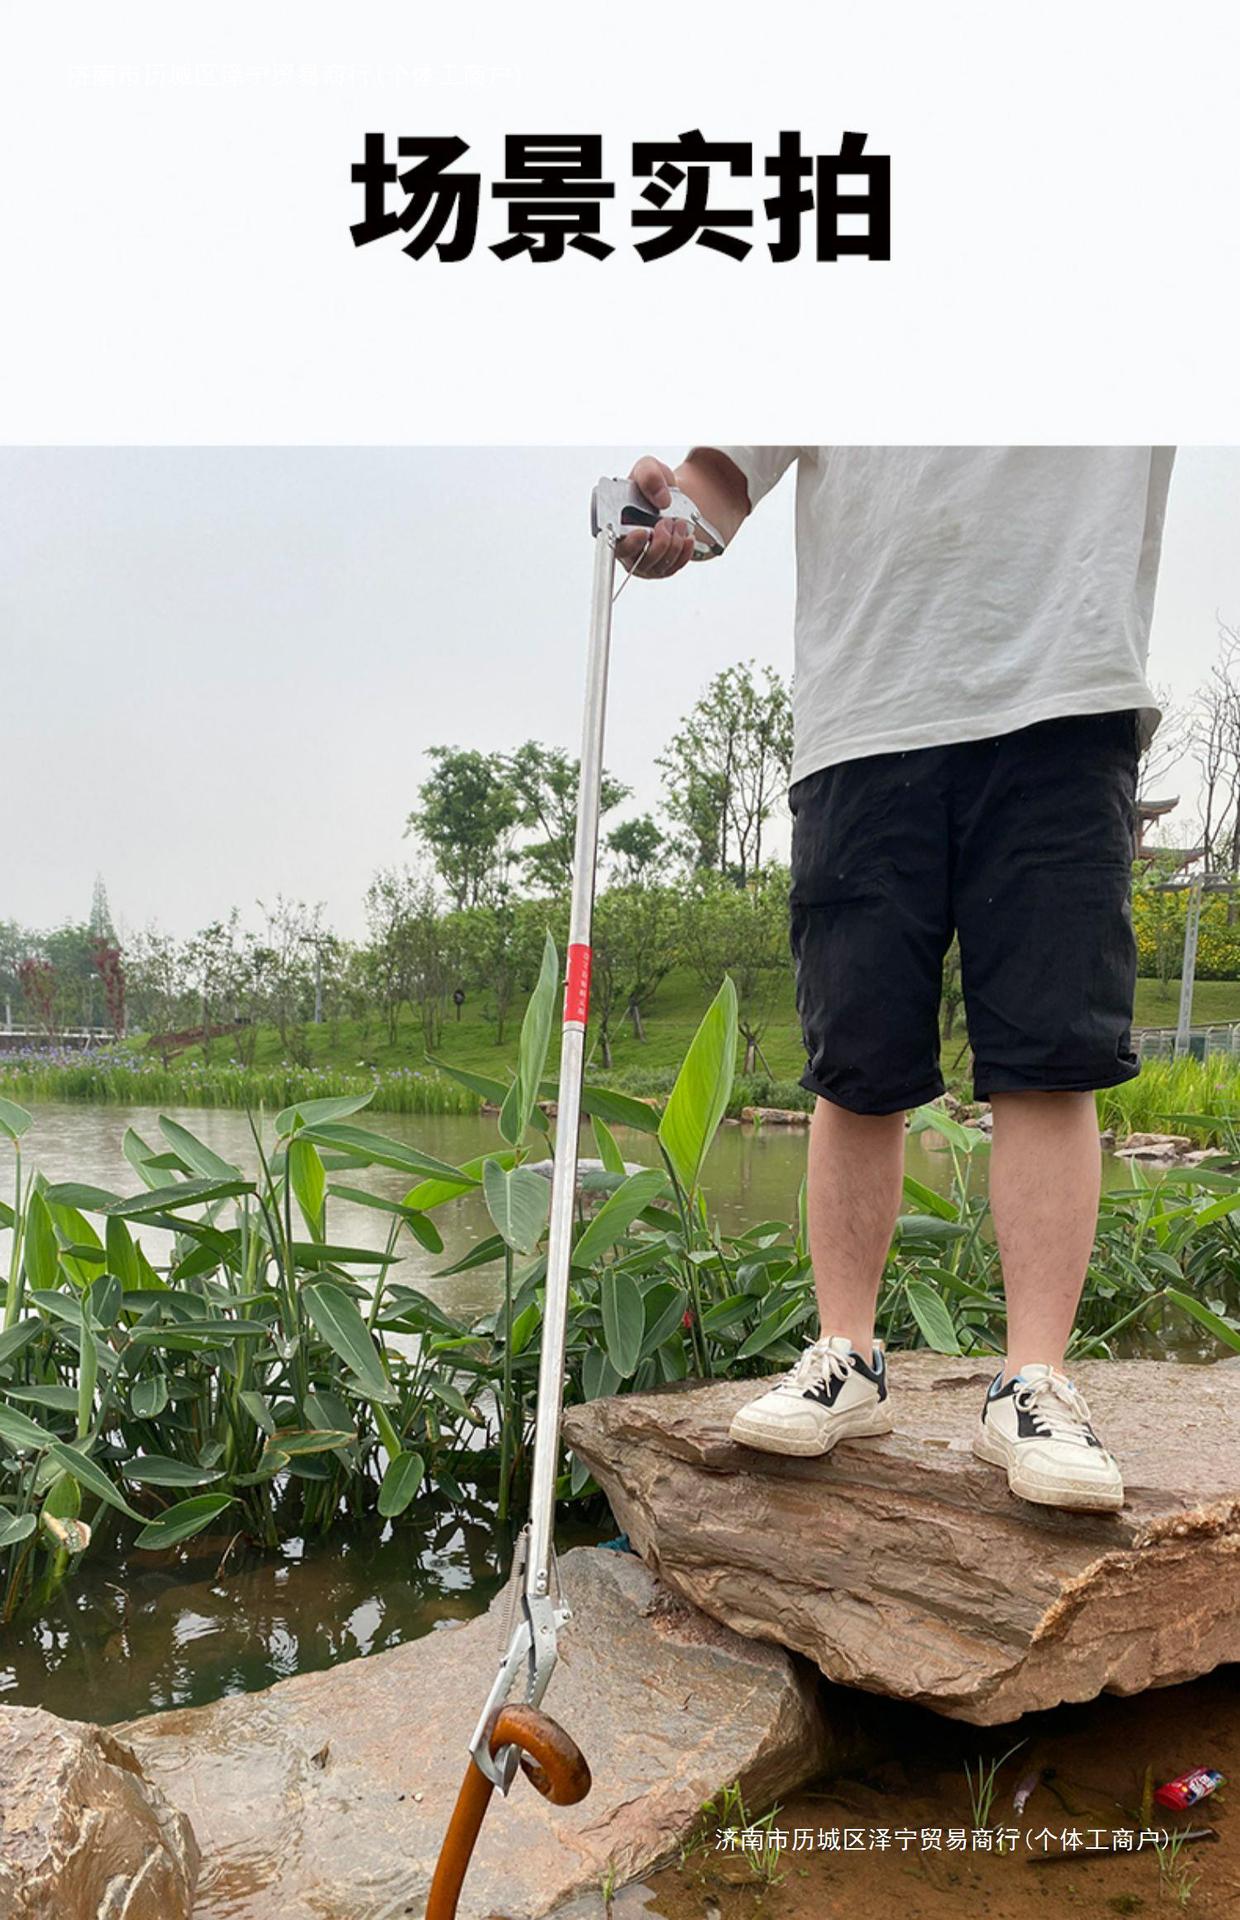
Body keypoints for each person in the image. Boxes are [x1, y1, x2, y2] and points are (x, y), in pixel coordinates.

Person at [619, 446, 1175, 1513]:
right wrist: (671, 512)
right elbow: (726, 473)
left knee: (1051, 1055)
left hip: (1062, 689)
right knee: (856, 1059)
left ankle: (1034, 1382)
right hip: (863, 710)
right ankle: (848, 1354)